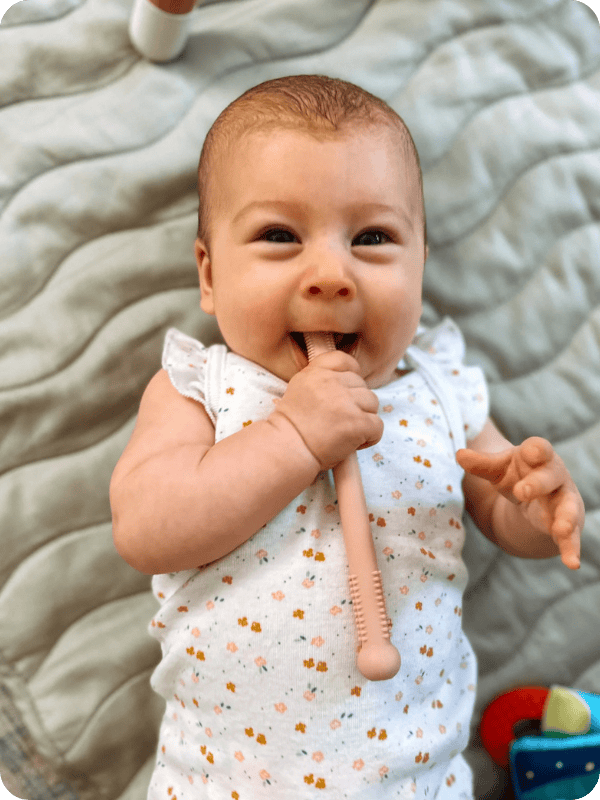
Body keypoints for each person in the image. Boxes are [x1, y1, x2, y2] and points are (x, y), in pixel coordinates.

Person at [109, 74, 585, 800]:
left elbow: (498, 510)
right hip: (227, 780)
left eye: (372, 237)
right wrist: (293, 437)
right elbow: (147, 527)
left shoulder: (437, 387)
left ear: (420, 262)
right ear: (209, 275)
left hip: (416, 779)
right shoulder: (203, 388)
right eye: (279, 236)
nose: (331, 274)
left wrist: (534, 507)